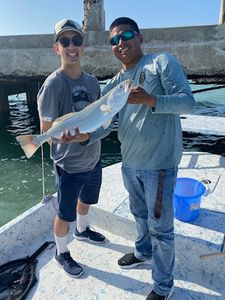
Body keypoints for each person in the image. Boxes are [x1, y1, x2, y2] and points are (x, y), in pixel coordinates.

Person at [89, 17, 195, 300]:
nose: (120, 43)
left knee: (161, 228)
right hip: (130, 163)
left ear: (140, 37)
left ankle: (163, 286)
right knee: (138, 214)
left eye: (125, 36)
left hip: (159, 164)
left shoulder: (161, 62)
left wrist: (151, 100)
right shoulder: (115, 83)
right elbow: (103, 123)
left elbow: (187, 101)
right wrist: (82, 136)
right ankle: (142, 251)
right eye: (114, 40)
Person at [37, 18, 106, 278]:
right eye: (65, 41)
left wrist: (88, 136)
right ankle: (61, 252)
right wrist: (58, 137)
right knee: (65, 212)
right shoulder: (53, 84)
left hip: (94, 157)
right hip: (69, 165)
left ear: (83, 45)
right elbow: (46, 131)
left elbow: (101, 119)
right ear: (57, 48)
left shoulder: (92, 82)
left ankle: (82, 230)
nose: (71, 46)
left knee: (87, 200)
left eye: (76, 40)